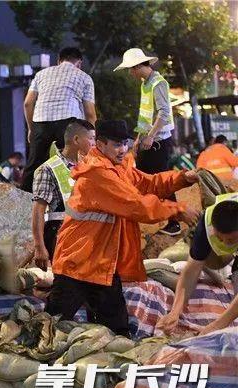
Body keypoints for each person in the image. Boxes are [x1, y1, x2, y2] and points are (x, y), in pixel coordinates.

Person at [46, 120, 199, 336]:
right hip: (77, 264)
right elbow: (135, 206)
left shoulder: (117, 168)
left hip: (101, 265)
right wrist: (177, 209)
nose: (123, 150)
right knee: (51, 328)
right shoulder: (96, 174)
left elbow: (149, 183)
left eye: (125, 143)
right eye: (117, 145)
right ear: (99, 144)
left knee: (118, 331)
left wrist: (182, 178)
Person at [115, 48, 181, 236]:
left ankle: (174, 221)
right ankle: (149, 218)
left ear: (138, 66)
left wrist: (150, 136)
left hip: (158, 142)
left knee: (161, 181)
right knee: (144, 180)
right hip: (148, 141)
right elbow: (145, 116)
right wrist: (138, 139)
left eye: (130, 69)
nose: (130, 73)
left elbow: (164, 113)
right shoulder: (146, 84)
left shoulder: (158, 83)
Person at [156, 194, 238, 335]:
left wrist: (215, 327)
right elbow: (190, 271)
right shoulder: (206, 226)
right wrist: (175, 312)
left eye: (231, 240)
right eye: (220, 238)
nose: (224, 244)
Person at [22, 47, 97, 192]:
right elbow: (90, 113)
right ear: (79, 63)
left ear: (59, 60)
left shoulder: (41, 74)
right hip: (69, 121)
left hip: (41, 121)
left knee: (34, 164)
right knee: (72, 161)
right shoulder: (84, 77)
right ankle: (77, 194)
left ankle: (23, 199)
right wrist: (92, 137)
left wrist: (31, 129)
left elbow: (27, 103)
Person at [32, 119, 95, 271]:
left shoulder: (88, 166)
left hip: (85, 236)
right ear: (76, 140)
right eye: (91, 138)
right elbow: (38, 210)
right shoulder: (47, 169)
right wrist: (39, 246)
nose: (94, 143)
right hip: (59, 236)